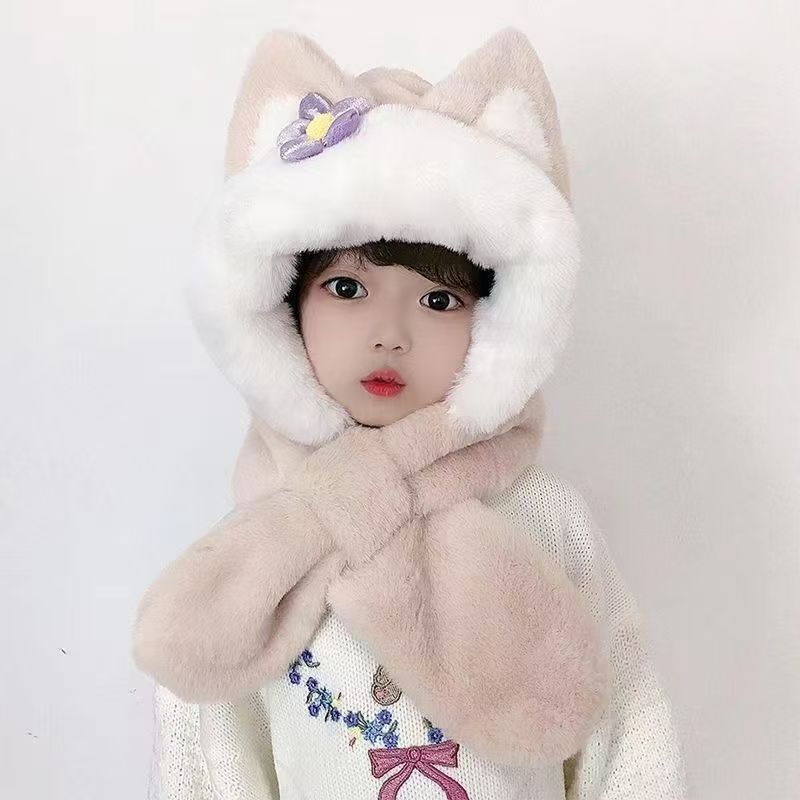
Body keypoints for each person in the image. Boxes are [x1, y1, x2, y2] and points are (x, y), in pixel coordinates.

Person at [132, 27, 690, 800]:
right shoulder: (258, 550)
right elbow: (208, 762)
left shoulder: (545, 517)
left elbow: (627, 726)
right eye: (347, 288)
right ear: (284, 305)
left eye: (439, 300)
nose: (390, 334)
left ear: (498, 323)